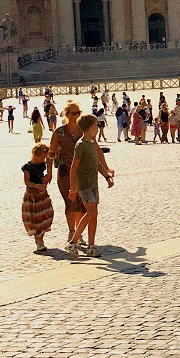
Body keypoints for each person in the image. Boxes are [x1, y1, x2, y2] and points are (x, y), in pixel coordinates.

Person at [67, 113, 114, 258]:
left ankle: (91, 246)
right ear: (90, 127)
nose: (98, 127)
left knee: (94, 214)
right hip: (84, 184)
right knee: (91, 212)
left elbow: (97, 164)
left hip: (93, 184)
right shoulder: (81, 145)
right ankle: (73, 242)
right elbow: (73, 168)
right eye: (96, 124)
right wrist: (72, 189)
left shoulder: (92, 143)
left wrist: (107, 177)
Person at [46, 103, 85, 242]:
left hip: (81, 172)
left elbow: (94, 149)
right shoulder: (59, 132)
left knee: (82, 203)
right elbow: (50, 154)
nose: (77, 115)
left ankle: (79, 232)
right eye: (74, 113)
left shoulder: (83, 130)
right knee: (70, 202)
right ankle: (71, 231)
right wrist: (49, 172)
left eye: (79, 112)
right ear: (67, 115)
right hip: (65, 172)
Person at [21, 144, 54, 253]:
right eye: (42, 157)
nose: (43, 159)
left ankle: (41, 238)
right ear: (36, 155)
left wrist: (48, 174)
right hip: (32, 195)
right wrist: (37, 186)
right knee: (35, 218)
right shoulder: (27, 167)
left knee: (46, 215)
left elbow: (51, 157)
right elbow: (27, 182)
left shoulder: (42, 165)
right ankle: (39, 241)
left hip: (42, 195)